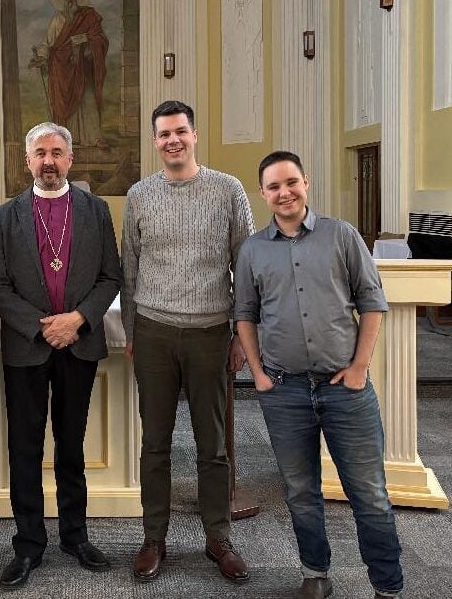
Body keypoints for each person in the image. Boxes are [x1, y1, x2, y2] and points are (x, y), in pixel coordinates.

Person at [235, 150, 403, 599]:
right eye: (273, 186)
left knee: (368, 494)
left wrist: (359, 369)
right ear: (264, 194)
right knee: (300, 491)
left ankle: (387, 586)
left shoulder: (340, 235)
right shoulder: (253, 249)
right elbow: (245, 315)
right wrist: (259, 375)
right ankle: (315, 571)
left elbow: (372, 301)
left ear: (305, 183)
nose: (284, 192)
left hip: (344, 390)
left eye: (290, 182)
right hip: (284, 389)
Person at [121, 100, 255, 583]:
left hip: (210, 332)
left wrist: (242, 335)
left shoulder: (227, 191)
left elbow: (248, 267)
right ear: (155, 141)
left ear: (194, 135)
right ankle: (154, 537)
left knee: (213, 444)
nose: (172, 140)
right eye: (163, 134)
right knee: (154, 443)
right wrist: (133, 331)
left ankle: (217, 537)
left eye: (180, 132)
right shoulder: (139, 195)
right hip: (154, 333)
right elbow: (130, 267)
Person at [0, 122, 122, 589]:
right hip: (28, 347)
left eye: (57, 152)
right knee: (24, 448)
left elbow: (110, 276)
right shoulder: (6, 216)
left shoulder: (96, 209)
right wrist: (43, 327)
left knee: (71, 445)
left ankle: (75, 536)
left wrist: (78, 319)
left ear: (70, 158)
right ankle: (27, 545)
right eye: (40, 152)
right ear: (27, 161)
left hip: (78, 345)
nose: (48, 160)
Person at [29, 0, 108, 147]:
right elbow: (47, 42)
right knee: (64, 105)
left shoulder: (88, 15)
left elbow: (100, 38)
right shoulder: (57, 20)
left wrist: (86, 37)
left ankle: (94, 137)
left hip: (82, 68)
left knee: (87, 99)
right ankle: (69, 139)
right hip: (61, 68)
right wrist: (41, 57)